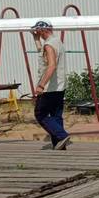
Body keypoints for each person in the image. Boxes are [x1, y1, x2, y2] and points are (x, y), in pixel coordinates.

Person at [31, 20, 70, 150]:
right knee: (55, 115)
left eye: (37, 31)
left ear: (43, 30)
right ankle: (59, 144)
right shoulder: (57, 42)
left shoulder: (48, 45)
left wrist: (41, 85)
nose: (37, 33)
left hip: (49, 88)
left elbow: (51, 65)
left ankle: (61, 135)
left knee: (40, 113)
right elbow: (42, 54)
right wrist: (36, 39)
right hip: (60, 86)